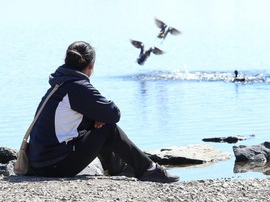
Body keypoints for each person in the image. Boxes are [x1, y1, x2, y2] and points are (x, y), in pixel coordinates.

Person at [27, 41, 179, 183]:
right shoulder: (77, 86)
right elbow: (113, 114)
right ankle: (148, 169)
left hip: (40, 161)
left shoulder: (60, 83)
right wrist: (99, 116)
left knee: (101, 125)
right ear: (91, 66)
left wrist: (95, 118)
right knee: (108, 128)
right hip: (54, 165)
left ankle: (118, 169)